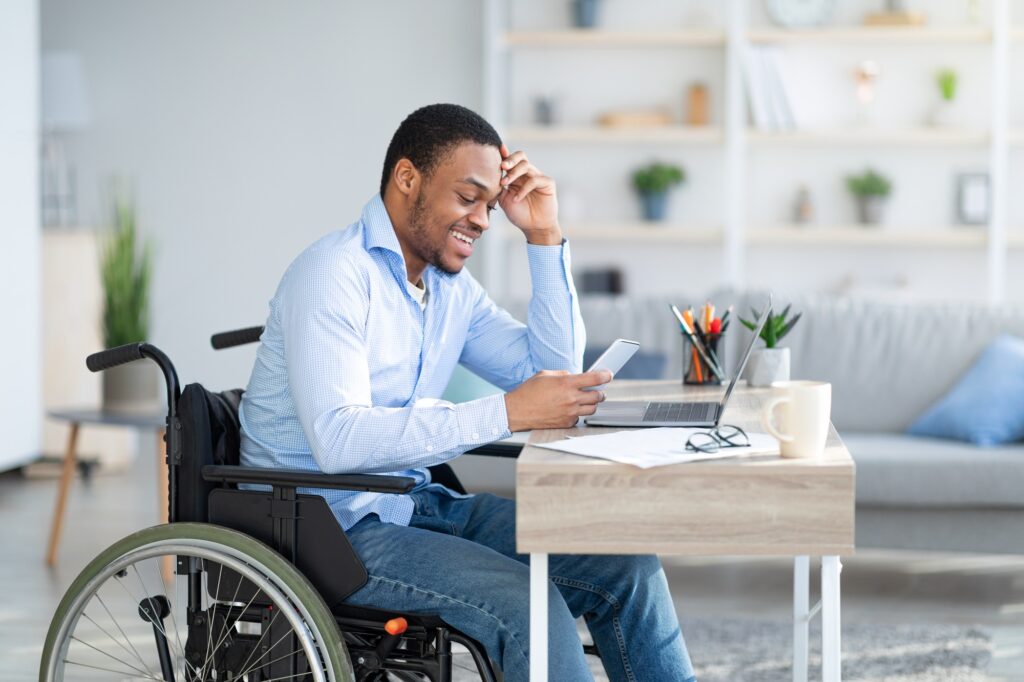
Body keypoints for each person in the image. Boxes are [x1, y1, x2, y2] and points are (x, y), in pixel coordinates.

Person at [239, 103, 696, 681]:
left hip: (412, 503)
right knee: (531, 607)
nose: (482, 219)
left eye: (489, 203)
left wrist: (544, 234)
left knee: (624, 567)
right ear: (408, 179)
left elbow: (551, 371)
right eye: (467, 197)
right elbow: (339, 440)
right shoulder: (334, 274)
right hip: (325, 529)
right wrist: (508, 412)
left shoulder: (448, 288)